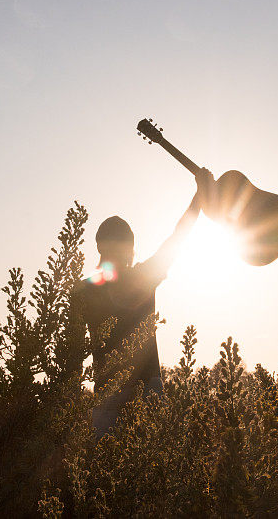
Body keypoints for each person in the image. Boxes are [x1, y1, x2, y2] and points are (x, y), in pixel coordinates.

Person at [75, 168, 214, 439]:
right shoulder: (140, 277)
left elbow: (73, 352)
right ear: (130, 249)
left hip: (115, 393)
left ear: (100, 249)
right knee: (151, 467)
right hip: (142, 390)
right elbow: (177, 238)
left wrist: (199, 197)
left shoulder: (86, 291)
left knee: (104, 469)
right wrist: (198, 197)